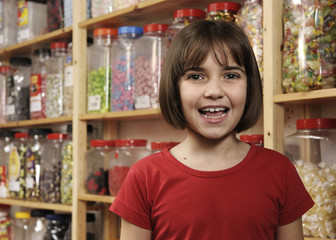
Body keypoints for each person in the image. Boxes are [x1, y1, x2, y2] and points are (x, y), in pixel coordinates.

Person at [109, 20, 314, 240]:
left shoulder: (280, 171)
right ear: (174, 88)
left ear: (250, 86)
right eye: (196, 76)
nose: (214, 91)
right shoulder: (144, 177)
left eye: (231, 75)